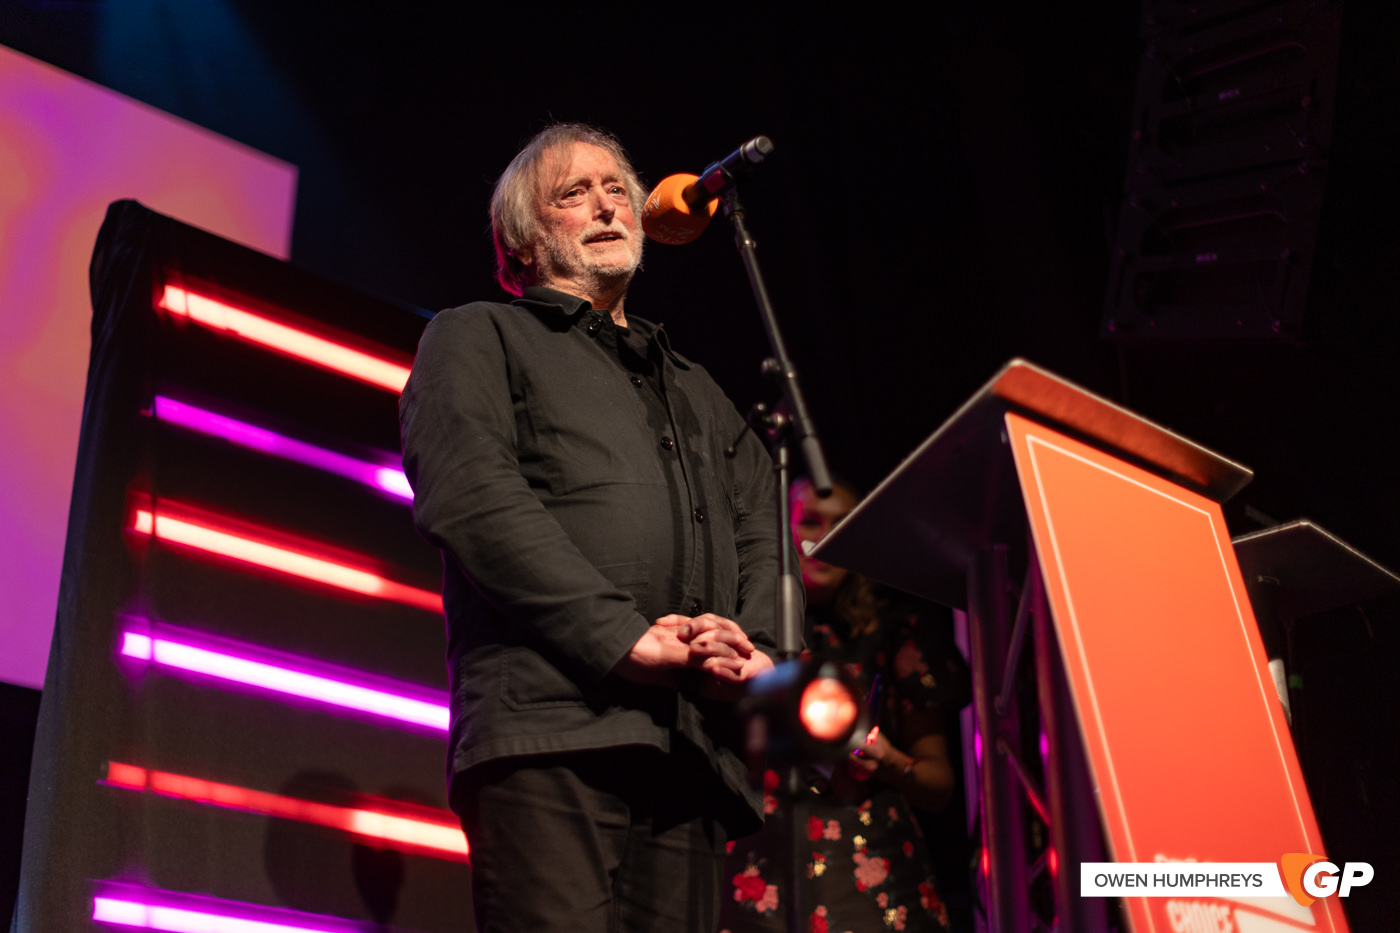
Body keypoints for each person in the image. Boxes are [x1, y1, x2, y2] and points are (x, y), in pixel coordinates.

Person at [399, 123, 794, 933]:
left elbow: (765, 522)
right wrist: (624, 638)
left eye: (618, 188)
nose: (608, 206)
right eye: (573, 193)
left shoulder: (697, 388)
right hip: (551, 730)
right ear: (522, 241)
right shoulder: (479, 335)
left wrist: (755, 648)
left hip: (692, 747)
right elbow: (471, 496)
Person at [719, 478, 970, 933]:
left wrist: (885, 758)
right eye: (810, 521)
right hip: (760, 851)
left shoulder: (897, 630)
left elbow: (939, 785)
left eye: (842, 525)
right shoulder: (742, 621)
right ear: (778, 529)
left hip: (871, 856)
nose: (824, 536)